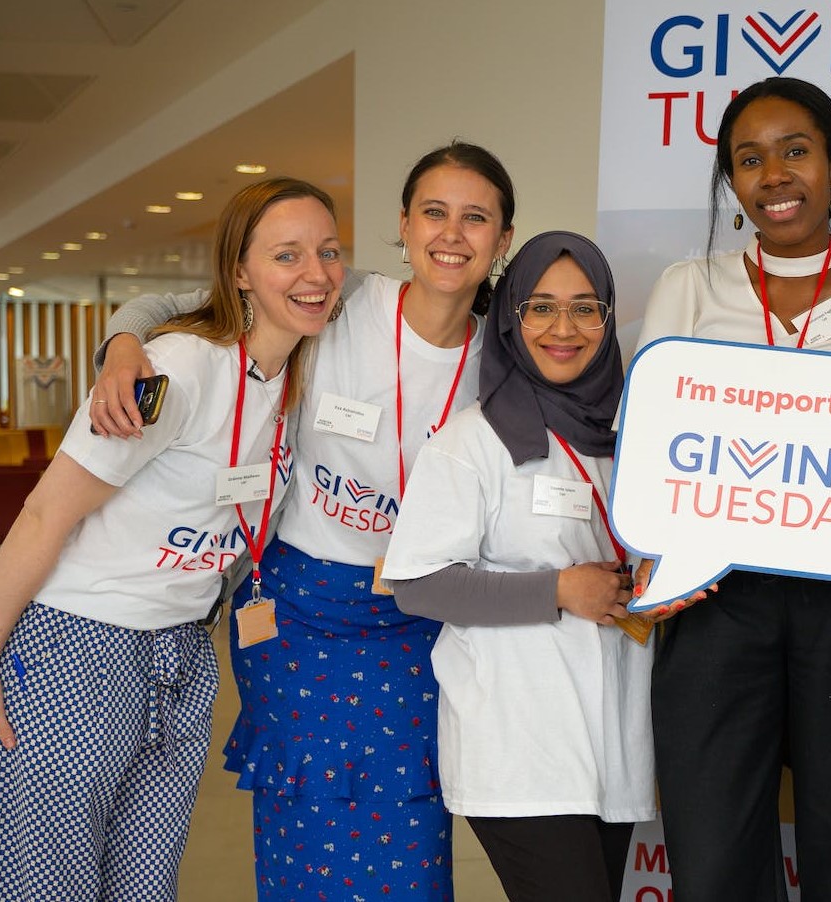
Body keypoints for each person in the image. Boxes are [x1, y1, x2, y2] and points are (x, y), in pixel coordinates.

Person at [90, 142, 517, 900]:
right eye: (435, 213)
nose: (453, 234)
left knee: (408, 838)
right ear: (405, 225)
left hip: (414, 625)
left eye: (475, 217)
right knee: (303, 832)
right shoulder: (343, 297)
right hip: (297, 616)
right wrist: (125, 344)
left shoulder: (506, 359)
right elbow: (184, 303)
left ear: (502, 240)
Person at [0, 178, 344, 900]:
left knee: (142, 885)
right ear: (240, 273)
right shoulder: (179, 368)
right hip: (80, 644)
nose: (315, 273)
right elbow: (44, 514)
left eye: (328, 252)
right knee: (38, 884)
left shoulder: (295, 372)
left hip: (182, 654)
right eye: (286, 255)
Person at [633, 76, 831, 902]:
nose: (774, 174)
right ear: (732, 183)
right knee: (714, 843)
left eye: (795, 151)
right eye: (749, 159)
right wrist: (653, 558)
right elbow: (653, 447)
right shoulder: (688, 290)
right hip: (714, 599)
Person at [381, 230, 650, 902]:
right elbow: (416, 582)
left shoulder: (631, 436)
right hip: (520, 741)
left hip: (611, 735)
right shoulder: (473, 440)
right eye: (541, 307)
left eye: (586, 308)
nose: (565, 328)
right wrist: (558, 589)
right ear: (510, 318)